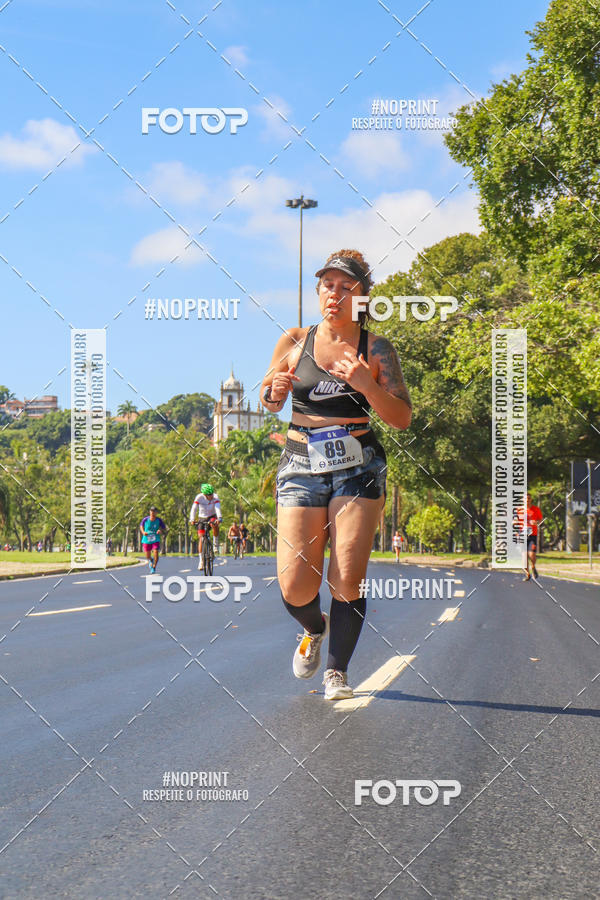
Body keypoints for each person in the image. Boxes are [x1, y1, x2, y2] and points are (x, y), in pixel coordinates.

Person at [260, 249, 412, 700]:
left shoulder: (377, 349)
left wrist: (367, 385)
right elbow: (270, 399)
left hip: (358, 464)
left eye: (347, 287)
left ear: (363, 297)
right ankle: (315, 627)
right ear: (318, 291)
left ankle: (336, 673)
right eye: (328, 285)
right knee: (294, 584)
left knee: (347, 574)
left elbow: (402, 417)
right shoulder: (294, 340)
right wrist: (275, 390)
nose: (335, 294)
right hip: (301, 462)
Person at [189, 484, 223, 568]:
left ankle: (215, 544)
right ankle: (201, 560)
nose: (211, 496)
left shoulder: (215, 497)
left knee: (214, 524)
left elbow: (217, 508)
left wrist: (219, 518)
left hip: (212, 516)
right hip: (202, 518)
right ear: (204, 495)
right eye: (209, 495)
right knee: (201, 538)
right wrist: (192, 519)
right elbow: (194, 509)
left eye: (212, 494)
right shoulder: (199, 497)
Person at [515, 493, 543, 580]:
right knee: (524, 556)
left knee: (532, 554)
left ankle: (533, 567)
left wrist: (536, 523)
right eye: (525, 499)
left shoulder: (535, 509)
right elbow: (514, 520)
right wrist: (514, 523)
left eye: (529, 498)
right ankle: (527, 574)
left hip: (532, 534)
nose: (527, 500)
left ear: (531, 500)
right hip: (522, 534)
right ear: (523, 500)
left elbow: (540, 520)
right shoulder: (518, 510)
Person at [139, 506, 167, 574]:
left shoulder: (159, 520)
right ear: (149, 512)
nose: (152, 512)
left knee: (156, 553)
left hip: (155, 539)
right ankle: (151, 560)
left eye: (154, 511)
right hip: (146, 539)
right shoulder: (145, 519)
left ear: (156, 512)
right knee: (147, 556)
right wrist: (143, 532)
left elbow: (164, 527)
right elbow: (141, 526)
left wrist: (159, 530)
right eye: (151, 511)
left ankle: (154, 567)